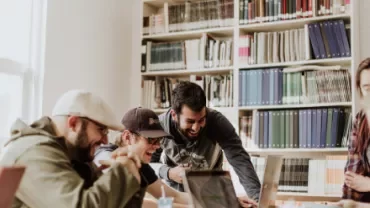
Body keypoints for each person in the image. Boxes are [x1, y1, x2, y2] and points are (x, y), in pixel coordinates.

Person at [0, 89, 145, 208]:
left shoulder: (74, 155)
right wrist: (122, 172)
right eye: (101, 130)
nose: (105, 140)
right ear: (74, 123)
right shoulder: (35, 152)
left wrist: (132, 169)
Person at [150, 81, 261, 206]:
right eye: (190, 121)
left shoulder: (217, 123)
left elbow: (239, 159)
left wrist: (257, 200)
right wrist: (169, 173)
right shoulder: (159, 126)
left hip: (212, 194)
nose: (196, 128)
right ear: (174, 115)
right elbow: (149, 164)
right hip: (177, 197)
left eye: (201, 120)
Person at [94, 107, 189, 208]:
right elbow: (138, 205)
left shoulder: (139, 163)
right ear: (127, 137)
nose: (157, 146)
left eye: (159, 140)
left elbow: (174, 196)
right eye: (151, 140)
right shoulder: (106, 156)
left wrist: (204, 199)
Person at [342, 58, 370, 202]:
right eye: (367, 88)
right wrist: (347, 204)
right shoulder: (361, 120)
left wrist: (368, 184)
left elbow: (363, 183)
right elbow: (352, 175)